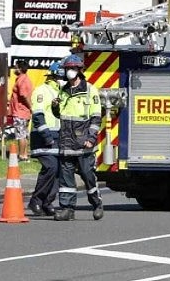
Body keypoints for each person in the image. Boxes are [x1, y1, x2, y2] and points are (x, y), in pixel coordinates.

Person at [52, 54, 103, 221]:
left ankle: (96, 204)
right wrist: (54, 107)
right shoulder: (63, 91)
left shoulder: (90, 91)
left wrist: (91, 138)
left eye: (72, 69)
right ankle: (67, 209)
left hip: (83, 143)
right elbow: (60, 115)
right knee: (66, 179)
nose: (69, 72)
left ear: (80, 70)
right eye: (67, 69)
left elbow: (96, 118)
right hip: (66, 142)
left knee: (88, 175)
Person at [28, 61, 65, 216]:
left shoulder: (61, 92)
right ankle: (36, 200)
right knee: (50, 167)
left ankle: (47, 203)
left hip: (58, 137)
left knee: (59, 171)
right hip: (43, 137)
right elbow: (38, 115)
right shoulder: (42, 91)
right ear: (55, 76)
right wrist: (47, 136)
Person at [9, 59, 33, 161]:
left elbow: (24, 95)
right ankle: (25, 154)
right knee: (24, 134)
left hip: (20, 112)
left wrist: (30, 107)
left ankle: (22, 155)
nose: (14, 69)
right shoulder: (23, 78)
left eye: (16, 67)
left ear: (20, 68)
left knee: (20, 135)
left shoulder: (22, 80)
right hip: (23, 111)